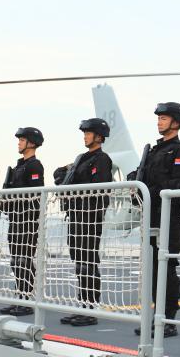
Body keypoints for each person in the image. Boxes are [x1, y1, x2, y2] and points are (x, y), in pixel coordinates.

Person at [128, 103, 180, 338]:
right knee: (152, 269)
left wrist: (150, 189)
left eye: (164, 118)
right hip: (151, 216)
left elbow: (178, 184)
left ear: (176, 122)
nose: (159, 122)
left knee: (166, 267)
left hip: (169, 217)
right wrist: (134, 181)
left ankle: (168, 320)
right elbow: (139, 173)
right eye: (159, 118)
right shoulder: (153, 151)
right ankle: (156, 317)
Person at [56, 118, 113, 327]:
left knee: (88, 262)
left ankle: (90, 309)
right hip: (75, 216)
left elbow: (97, 188)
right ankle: (82, 305)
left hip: (89, 218)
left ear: (98, 136)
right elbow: (61, 175)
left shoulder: (102, 159)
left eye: (89, 133)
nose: (85, 136)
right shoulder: (81, 159)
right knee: (79, 262)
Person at [0, 127, 45, 316]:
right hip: (15, 219)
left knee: (24, 260)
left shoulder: (35, 166)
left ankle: (26, 299)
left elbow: (34, 196)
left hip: (28, 221)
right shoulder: (19, 166)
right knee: (16, 261)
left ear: (31, 143)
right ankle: (20, 296)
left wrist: (14, 201)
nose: (19, 143)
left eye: (22, 140)